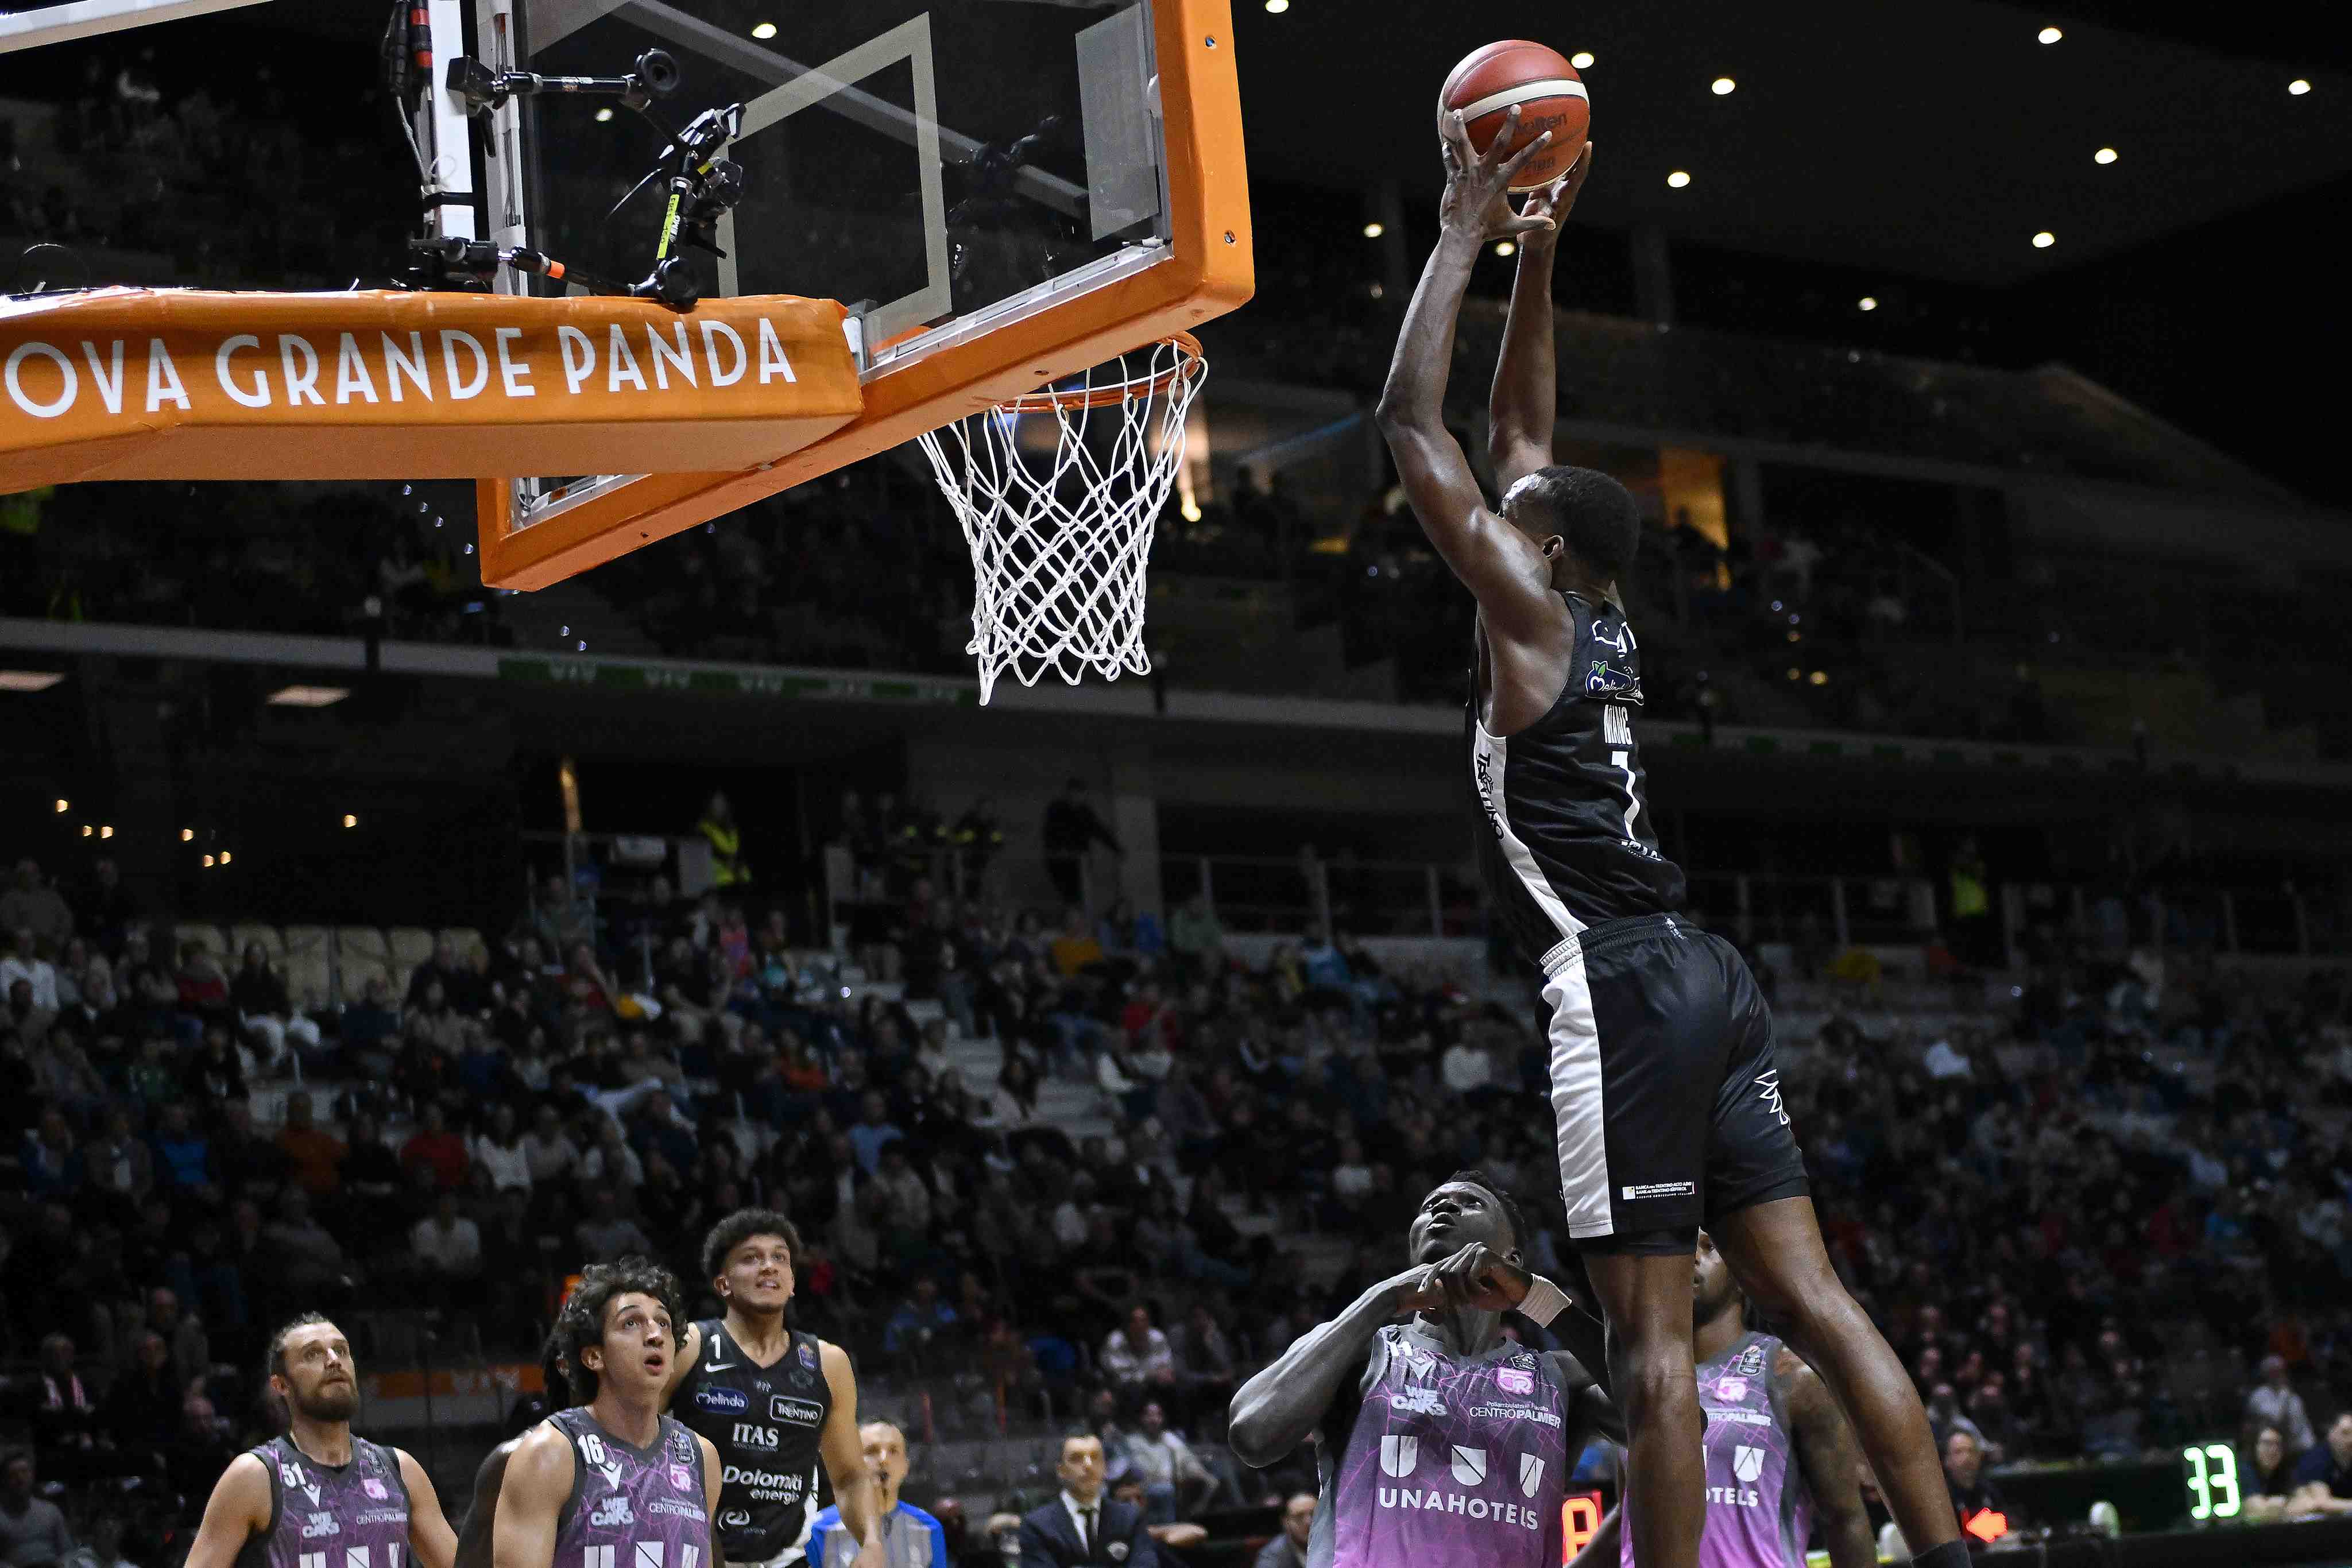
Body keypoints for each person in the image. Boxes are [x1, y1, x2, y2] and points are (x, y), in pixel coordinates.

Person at [1372, 106, 1964, 1568]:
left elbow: (1414, 424)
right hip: (1713, 969)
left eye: (1509, 526)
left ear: (1543, 552)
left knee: (1648, 1346)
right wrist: (1541, 254)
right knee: (1814, 1302)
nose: (1490, 531)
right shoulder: (1600, 614)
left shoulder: (1525, 619)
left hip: (1624, 982)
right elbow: (1523, 440)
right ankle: (1954, 1556)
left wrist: (1457, 229)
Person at [1228, 1171, 1616, 1566]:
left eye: (1471, 1202)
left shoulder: (1559, 1380)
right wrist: (1382, 1297)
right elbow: (1252, 1433)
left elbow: (1672, 1404)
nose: (1443, 1206)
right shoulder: (1363, 1353)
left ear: (1512, 1258)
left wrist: (1537, 1297)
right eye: (1430, 1205)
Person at [1578, 1229, 1874, 1567]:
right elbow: (1632, 1513)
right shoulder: (1634, 1383)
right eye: (1681, 1244)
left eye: (1710, 1246)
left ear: (1741, 1272)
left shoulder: (1790, 1377)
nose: (1691, 1256)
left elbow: (1845, 1519)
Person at [660, 1210, 887, 1568]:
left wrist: (872, 1543)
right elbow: (631, 1449)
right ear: (723, 1284)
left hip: (786, 1561)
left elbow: (849, 1476)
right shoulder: (689, 1345)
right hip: (691, 1558)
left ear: (793, 1282)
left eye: (779, 1257)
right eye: (751, 1258)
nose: (769, 1266)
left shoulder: (828, 1363)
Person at [492, 1260, 721, 1568]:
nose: (655, 1335)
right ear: (594, 1356)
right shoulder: (549, 1455)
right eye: (631, 1323)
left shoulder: (700, 1457)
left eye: (663, 1323)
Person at [180, 1315, 458, 1568]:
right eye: (312, 1354)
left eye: (341, 1350)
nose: (333, 1359)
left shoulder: (400, 1468)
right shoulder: (254, 1477)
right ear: (281, 1385)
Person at [805, 1421, 945, 1567]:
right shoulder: (818, 1529)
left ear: (906, 1466)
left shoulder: (929, 1528)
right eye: (871, 1451)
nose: (884, 1460)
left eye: (893, 1451)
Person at [1016, 1435, 1155, 1568]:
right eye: (1076, 1458)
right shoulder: (1037, 1526)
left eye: (1095, 1458)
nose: (1088, 1465)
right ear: (1061, 1471)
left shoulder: (1130, 1519)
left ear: (1105, 1468)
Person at [1124, 1401, 1215, 1525]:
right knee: (1165, 1490)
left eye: (1158, 1415)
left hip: (1174, 1487)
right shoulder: (1133, 1441)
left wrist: (1199, 1474)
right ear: (1142, 1418)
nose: (1154, 1420)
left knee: (1208, 1481)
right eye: (1149, 1415)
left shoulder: (1169, 1439)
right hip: (1146, 1489)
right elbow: (1143, 1473)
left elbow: (1187, 1460)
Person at [1042, 781, 1121, 911]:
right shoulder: (1056, 809)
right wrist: (1055, 850)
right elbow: (1049, 831)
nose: (1077, 798)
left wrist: (1117, 849)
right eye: (1074, 794)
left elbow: (1099, 831)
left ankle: (1079, 916)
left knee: (1080, 892)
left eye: (1080, 795)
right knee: (1065, 892)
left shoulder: (1086, 812)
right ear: (1068, 793)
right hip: (1060, 859)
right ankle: (1070, 915)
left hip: (1080, 859)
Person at [0, 1451, 71, 1568]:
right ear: (5, 1480)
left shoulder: (51, 1511)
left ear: (32, 1475)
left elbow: (67, 1551)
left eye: (24, 1472)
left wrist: (63, 1564)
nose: (20, 1478)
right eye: (13, 1474)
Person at [1941, 1431, 2007, 1538]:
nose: (1967, 1458)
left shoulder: (1990, 1492)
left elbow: (2001, 1533)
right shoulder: (1942, 1498)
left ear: (1979, 1457)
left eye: (1971, 1451)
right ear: (1947, 1460)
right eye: (1959, 1452)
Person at [2246, 1354, 2316, 1455]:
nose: (2277, 1375)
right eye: (2273, 1371)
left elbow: (2295, 1424)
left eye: (2280, 1371)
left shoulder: (2292, 1396)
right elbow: (2270, 1423)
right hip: (2275, 1447)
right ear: (2266, 1374)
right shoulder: (2258, 1395)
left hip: (2302, 1446)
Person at [2290, 1411, 2352, 1517]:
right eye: (2345, 1433)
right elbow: (2322, 1503)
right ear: (2331, 1433)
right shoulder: (2315, 1459)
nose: (2351, 1440)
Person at [2245, 1426, 2298, 1523]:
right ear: (2254, 1447)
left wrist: (2278, 1505)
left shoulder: (2285, 1470)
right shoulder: (2245, 1470)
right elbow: (2260, 1509)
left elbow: (2307, 1502)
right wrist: (2286, 1503)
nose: (2273, 1450)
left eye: (2278, 1445)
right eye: (2267, 1444)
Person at [1253, 1493, 1315, 1568]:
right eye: (1299, 1517)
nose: (1309, 1522)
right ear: (1286, 1522)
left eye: (1315, 1514)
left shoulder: (1331, 1542)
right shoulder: (1272, 1557)